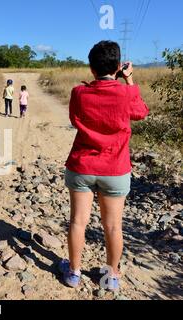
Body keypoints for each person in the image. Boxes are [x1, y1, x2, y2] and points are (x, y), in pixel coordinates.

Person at [59, 41, 149, 292]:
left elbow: (75, 120)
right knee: (112, 226)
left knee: (78, 221)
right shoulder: (125, 93)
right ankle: (111, 277)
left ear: (91, 68)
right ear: (119, 66)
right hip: (116, 169)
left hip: (82, 166)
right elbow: (141, 112)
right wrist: (129, 81)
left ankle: (74, 273)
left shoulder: (79, 92)